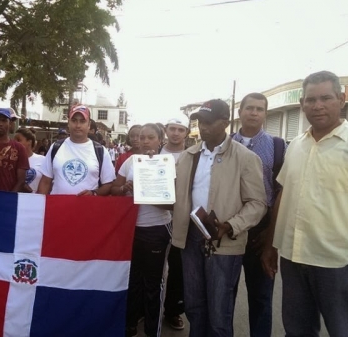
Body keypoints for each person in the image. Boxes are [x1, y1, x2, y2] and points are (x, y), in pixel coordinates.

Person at [261, 71, 348, 337]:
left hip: (342, 267)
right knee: (297, 331)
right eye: (310, 100)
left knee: (346, 332)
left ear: (341, 99)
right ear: (302, 104)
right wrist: (271, 245)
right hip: (294, 261)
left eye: (326, 98)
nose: (317, 106)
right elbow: (284, 196)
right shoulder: (296, 146)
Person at [172, 99, 266, 337]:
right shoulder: (188, 156)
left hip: (223, 242)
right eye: (200, 122)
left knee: (219, 312)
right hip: (191, 238)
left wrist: (231, 226)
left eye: (208, 122)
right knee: (194, 306)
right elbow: (176, 195)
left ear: (224, 123)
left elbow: (257, 203)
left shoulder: (245, 158)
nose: (202, 127)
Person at [231, 93, 286, 337]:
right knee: (223, 294)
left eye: (260, 109)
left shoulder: (277, 145)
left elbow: (281, 190)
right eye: (249, 108)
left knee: (262, 297)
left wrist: (270, 234)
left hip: (261, 231)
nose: (254, 113)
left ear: (265, 113)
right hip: (228, 227)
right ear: (240, 112)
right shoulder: (224, 143)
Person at [111, 123, 173, 337]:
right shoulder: (129, 162)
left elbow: (171, 204)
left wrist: (149, 192)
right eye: (141, 137)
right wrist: (124, 188)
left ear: (159, 140)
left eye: (150, 137)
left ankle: (151, 330)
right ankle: (129, 325)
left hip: (156, 229)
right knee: (133, 280)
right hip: (130, 229)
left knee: (153, 284)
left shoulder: (166, 163)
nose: (145, 140)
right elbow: (114, 190)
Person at [37, 105, 115, 195]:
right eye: (74, 121)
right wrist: (40, 205)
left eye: (82, 121)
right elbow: (45, 182)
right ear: (68, 123)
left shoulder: (100, 151)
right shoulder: (56, 147)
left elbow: (108, 184)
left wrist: (94, 193)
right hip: (58, 207)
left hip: (87, 208)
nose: (78, 125)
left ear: (89, 125)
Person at [160, 115, 190, 331]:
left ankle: (173, 310)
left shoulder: (193, 156)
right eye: (172, 128)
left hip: (182, 220)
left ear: (187, 133)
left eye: (181, 129)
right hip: (156, 219)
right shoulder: (154, 153)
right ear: (166, 130)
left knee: (178, 268)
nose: (176, 133)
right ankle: (145, 308)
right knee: (152, 268)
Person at [15, 127, 46, 193]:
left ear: (29, 142)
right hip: (15, 200)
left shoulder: (43, 160)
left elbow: (47, 183)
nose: (15, 143)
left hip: (36, 200)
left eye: (18, 140)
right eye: (14, 140)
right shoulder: (11, 160)